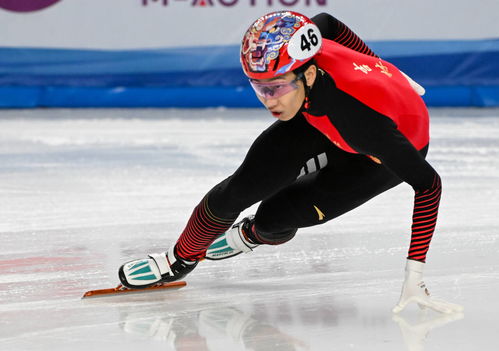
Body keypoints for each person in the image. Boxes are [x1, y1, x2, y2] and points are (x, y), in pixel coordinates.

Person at [119, 11, 462, 314]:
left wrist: (414, 274)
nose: (269, 100)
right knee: (237, 190)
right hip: (316, 115)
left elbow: (429, 185)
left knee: (274, 218)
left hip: (375, 157)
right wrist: (383, 66)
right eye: (259, 88)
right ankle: (179, 261)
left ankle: (253, 233)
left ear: (309, 75)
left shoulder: (362, 124)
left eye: (277, 88)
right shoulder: (305, 53)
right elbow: (328, 22)